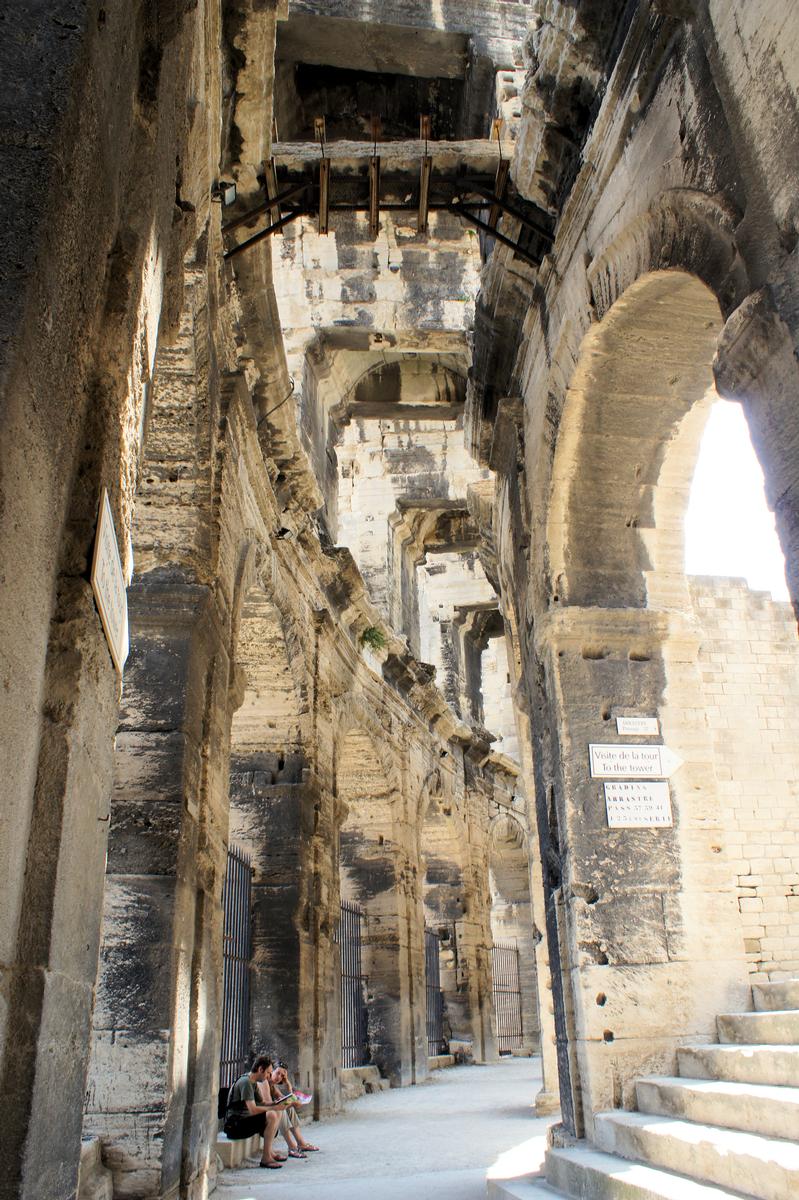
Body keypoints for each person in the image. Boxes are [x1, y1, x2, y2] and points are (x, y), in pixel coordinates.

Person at [223, 1055, 291, 1169]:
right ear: (260, 1070)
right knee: (272, 1115)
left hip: (243, 1122)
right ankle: (266, 1159)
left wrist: (277, 1104)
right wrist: (273, 1108)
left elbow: (262, 1103)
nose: (269, 1076)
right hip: (234, 1127)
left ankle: (270, 1152)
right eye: (268, 1073)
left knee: (277, 1112)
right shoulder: (246, 1082)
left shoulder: (252, 1082)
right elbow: (253, 1109)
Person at [262, 1063, 320, 1158]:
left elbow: (285, 1100)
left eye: (282, 1076)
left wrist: (288, 1086)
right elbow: (273, 1105)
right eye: (277, 1073)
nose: (279, 1077)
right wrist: (290, 1103)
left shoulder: (273, 1087)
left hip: (270, 1112)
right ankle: (291, 1147)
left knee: (289, 1109)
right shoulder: (264, 1083)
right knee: (281, 1110)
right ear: (271, 1072)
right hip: (260, 1113)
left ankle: (301, 1143)